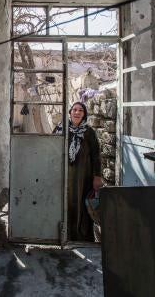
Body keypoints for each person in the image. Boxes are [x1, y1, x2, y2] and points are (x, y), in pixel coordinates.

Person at [54, 102, 103, 241]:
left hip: (84, 177)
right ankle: (64, 236)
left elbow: (96, 156)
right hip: (64, 176)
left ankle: (81, 237)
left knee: (82, 205)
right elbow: (51, 148)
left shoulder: (89, 132)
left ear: (84, 114)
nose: (77, 112)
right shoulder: (60, 129)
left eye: (81, 110)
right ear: (70, 112)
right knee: (65, 203)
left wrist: (97, 177)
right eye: (74, 109)